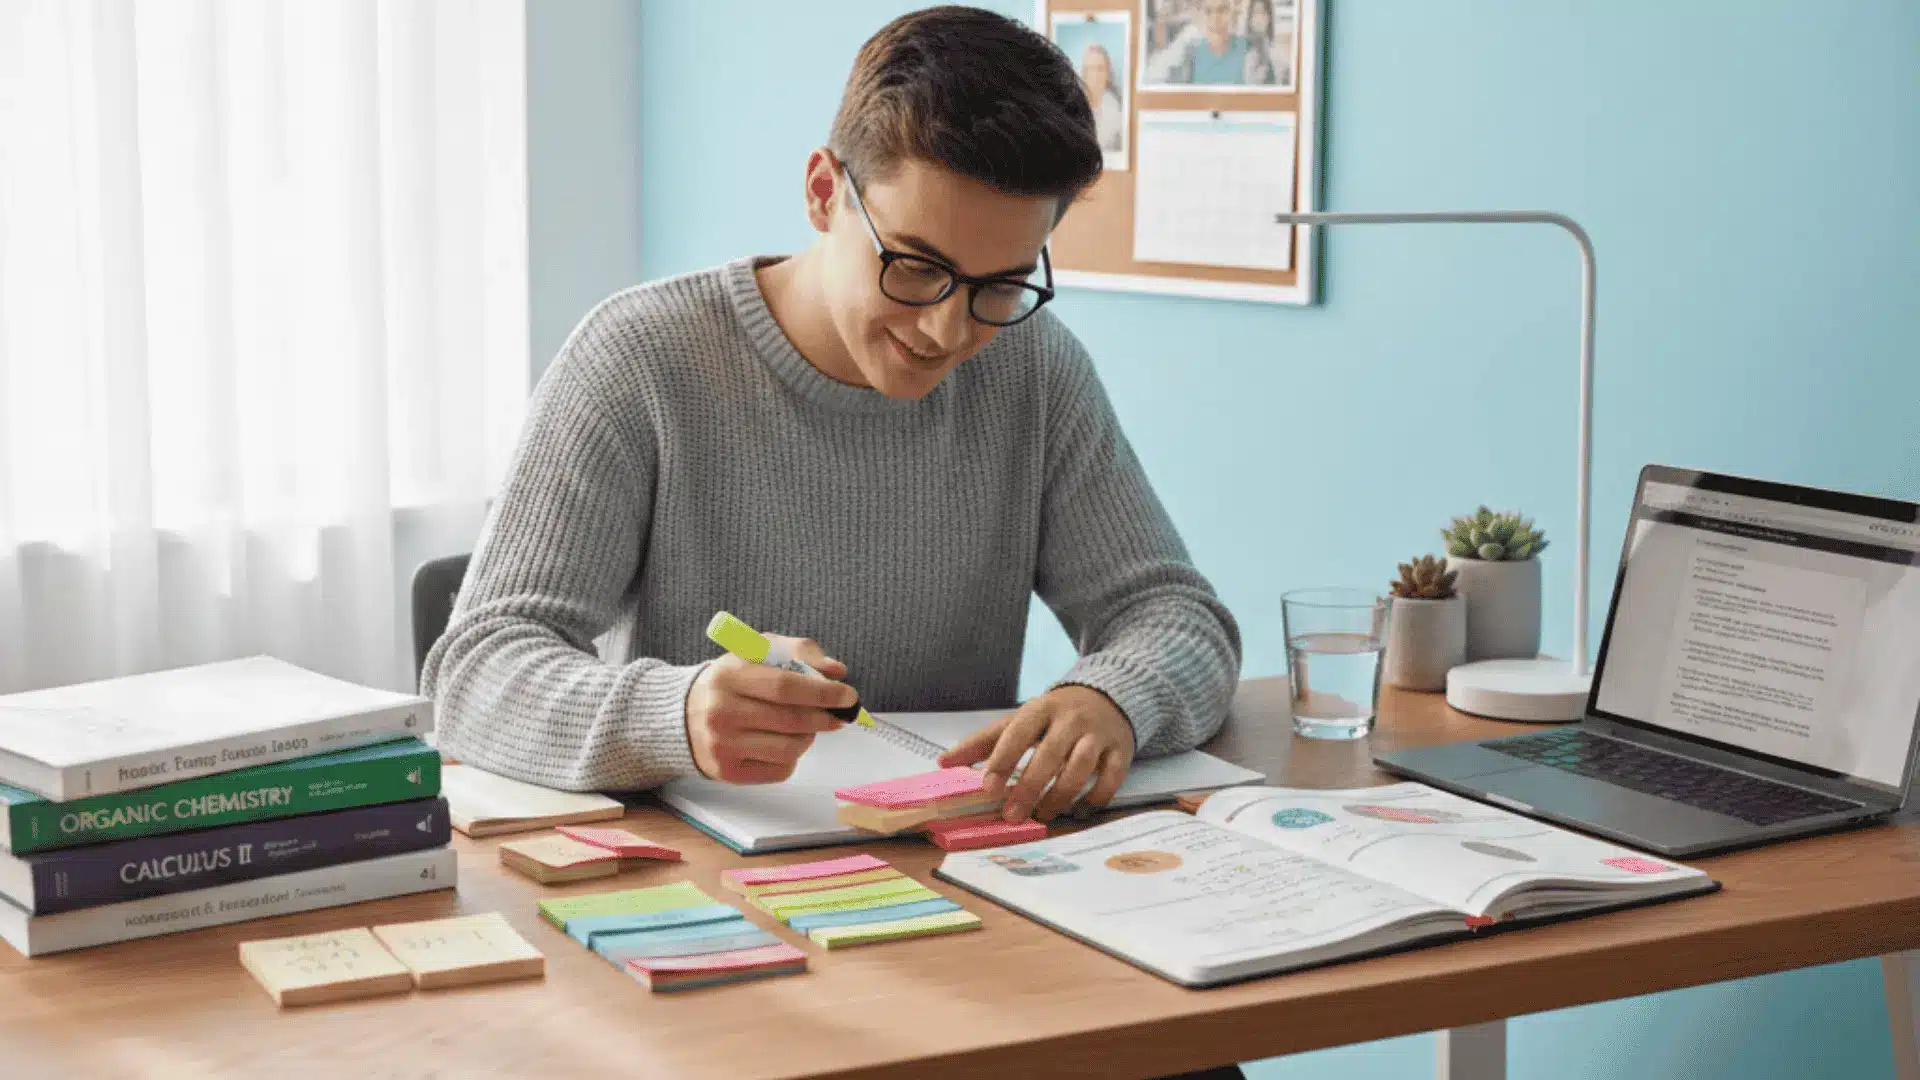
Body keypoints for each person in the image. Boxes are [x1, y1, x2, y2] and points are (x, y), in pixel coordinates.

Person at [421, 6, 1241, 833]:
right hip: (705, 881)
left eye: (1000, 284)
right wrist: (675, 712)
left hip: (964, 867)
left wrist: (1110, 697)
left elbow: (1177, 617)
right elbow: (475, 674)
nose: (949, 332)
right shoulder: (642, 358)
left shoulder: (1034, 369)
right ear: (824, 193)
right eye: (918, 266)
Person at [1147, 0, 1250, 86]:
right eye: (1208, 11)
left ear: (1233, 11)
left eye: (1222, 10)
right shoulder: (1189, 51)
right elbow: (1154, 79)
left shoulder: (1246, 48)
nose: (1215, 17)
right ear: (1200, 14)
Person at [1080, 41, 1125, 153]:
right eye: (1090, 69)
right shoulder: (1072, 105)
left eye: (1100, 69)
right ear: (1084, 74)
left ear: (1107, 73)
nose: (1095, 75)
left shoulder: (1116, 107)